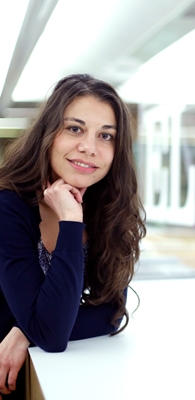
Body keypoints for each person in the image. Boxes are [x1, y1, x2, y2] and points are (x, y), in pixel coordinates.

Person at [0, 74, 146, 398]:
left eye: (106, 135)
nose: (89, 147)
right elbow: (52, 335)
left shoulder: (103, 206)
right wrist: (70, 224)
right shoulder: (8, 207)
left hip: (43, 371)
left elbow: (112, 312)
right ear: (48, 133)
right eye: (75, 128)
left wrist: (25, 331)